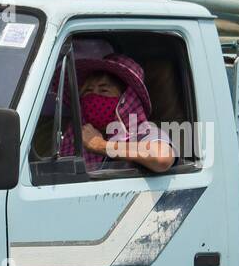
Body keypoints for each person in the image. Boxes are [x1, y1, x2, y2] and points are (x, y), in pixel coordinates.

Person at [60, 40, 175, 174]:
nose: (93, 97)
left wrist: (100, 145)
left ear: (125, 99)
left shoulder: (143, 133)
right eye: (88, 91)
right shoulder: (77, 136)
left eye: (104, 91)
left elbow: (162, 158)